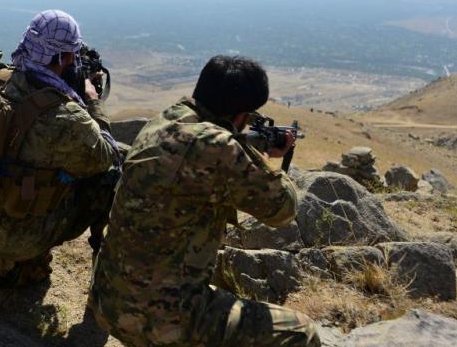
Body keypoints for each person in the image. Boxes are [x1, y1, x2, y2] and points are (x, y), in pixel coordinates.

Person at [88, 55, 320, 346]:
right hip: (158, 319)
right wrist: (266, 158)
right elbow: (283, 210)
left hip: (107, 301)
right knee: (303, 333)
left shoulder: (163, 121)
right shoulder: (220, 148)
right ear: (240, 116)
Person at [0, 9, 122, 320]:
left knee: (35, 274)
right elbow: (105, 155)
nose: (74, 63)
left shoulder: (1, 82)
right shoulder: (66, 117)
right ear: (60, 58)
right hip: (24, 230)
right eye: (71, 57)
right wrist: (92, 99)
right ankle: (103, 289)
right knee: (111, 177)